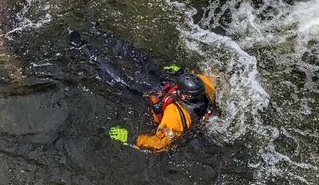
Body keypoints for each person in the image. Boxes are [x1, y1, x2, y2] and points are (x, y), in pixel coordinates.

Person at [68, 26, 216, 152]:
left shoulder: (175, 117)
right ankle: (103, 35)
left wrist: (131, 139)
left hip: (152, 100)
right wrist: (179, 71)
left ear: (184, 96)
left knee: (121, 82)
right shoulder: (206, 84)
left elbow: (159, 144)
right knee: (141, 59)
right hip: (165, 85)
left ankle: (83, 47)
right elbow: (216, 78)